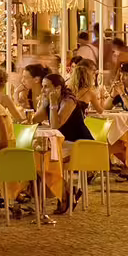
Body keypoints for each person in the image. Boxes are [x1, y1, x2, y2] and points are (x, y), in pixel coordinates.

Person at [37, 73, 90, 212]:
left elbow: (55, 126)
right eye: (42, 87)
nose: (43, 90)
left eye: (46, 87)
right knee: (39, 156)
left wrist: (53, 104)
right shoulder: (49, 100)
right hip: (62, 143)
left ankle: (64, 192)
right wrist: (41, 103)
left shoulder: (69, 101)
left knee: (46, 158)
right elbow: (35, 119)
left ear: (58, 88)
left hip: (79, 143)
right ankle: (64, 191)